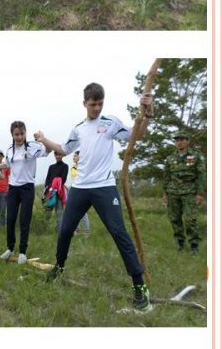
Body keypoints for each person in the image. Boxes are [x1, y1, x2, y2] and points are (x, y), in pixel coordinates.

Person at [36, 83, 155, 312]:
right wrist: (43, 139)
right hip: (80, 188)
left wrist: (147, 114)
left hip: (104, 187)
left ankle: (139, 286)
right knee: (65, 230)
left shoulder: (110, 123)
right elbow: (63, 148)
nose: (97, 108)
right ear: (84, 104)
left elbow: (138, 134)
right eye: (93, 104)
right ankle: (59, 267)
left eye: (100, 103)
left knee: (119, 232)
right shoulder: (79, 128)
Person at [0, 121, 52, 264]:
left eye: (22, 134)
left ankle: (23, 251)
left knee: (24, 220)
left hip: (27, 188)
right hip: (13, 188)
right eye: (16, 134)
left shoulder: (32, 147)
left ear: (25, 133)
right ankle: (10, 248)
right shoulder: (10, 149)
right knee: (10, 219)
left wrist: (43, 139)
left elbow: (48, 151)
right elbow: (6, 165)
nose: (19, 137)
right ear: (12, 134)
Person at [162, 130, 205, 254]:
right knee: (174, 219)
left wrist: (200, 193)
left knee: (190, 219)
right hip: (173, 192)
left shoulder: (197, 156)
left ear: (187, 141)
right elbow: (166, 176)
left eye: (182, 140)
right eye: (177, 140)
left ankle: (194, 246)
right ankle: (180, 243)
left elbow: (201, 175)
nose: (179, 142)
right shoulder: (170, 158)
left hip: (190, 192)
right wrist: (164, 193)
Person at [44, 152, 69, 232]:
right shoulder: (51, 167)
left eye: (60, 154)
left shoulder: (65, 166)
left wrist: (55, 186)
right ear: (54, 155)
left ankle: (59, 230)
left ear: (62, 155)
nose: (58, 156)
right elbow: (47, 179)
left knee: (59, 212)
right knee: (48, 212)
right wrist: (47, 190)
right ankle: (44, 229)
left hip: (59, 193)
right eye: (56, 155)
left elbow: (63, 179)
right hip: (50, 193)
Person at [68, 151, 90, 234]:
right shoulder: (73, 167)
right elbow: (73, 179)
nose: (73, 157)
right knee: (74, 211)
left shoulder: (84, 167)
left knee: (83, 212)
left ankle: (86, 230)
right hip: (74, 190)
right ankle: (76, 229)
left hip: (83, 190)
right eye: (73, 156)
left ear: (80, 157)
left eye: (75, 156)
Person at [0, 149, 10, 228]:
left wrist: (9, 188)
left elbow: (9, 177)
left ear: (3, 157)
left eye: (0, 155)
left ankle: (2, 226)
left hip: (4, 191)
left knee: (3, 210)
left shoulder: (6, 166)